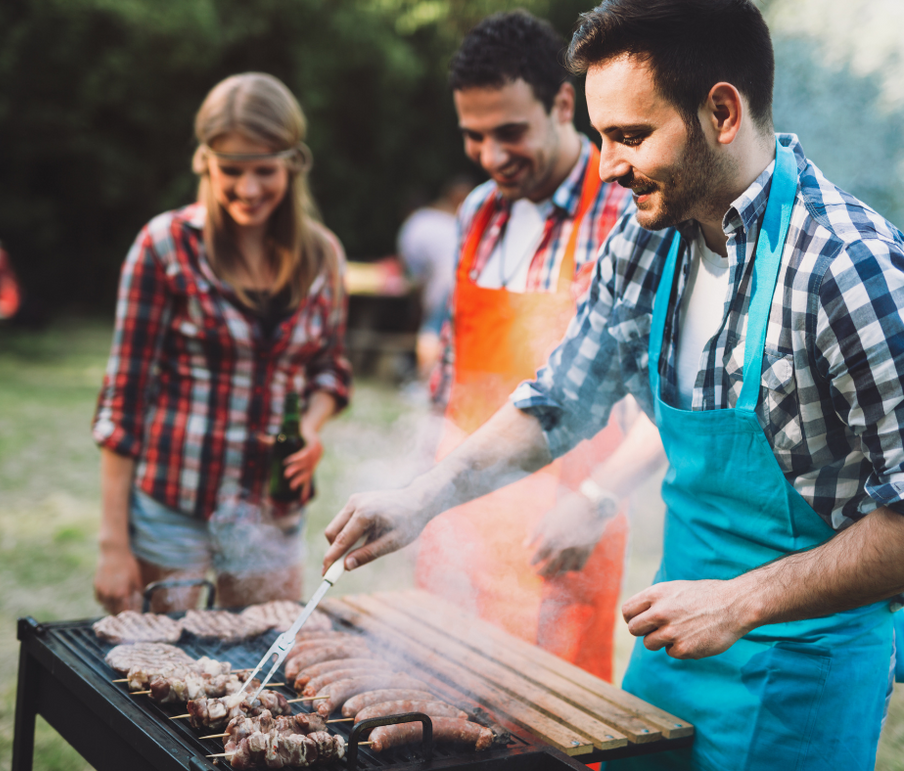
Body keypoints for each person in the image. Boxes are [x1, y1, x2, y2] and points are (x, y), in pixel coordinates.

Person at [323, 1, 904, 768]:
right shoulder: (647, 237)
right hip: (672, 638)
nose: (607, 165)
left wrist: (740, 600)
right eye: (601, 136)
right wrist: (422, 497)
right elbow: (561, 399)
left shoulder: (849, 270)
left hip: (803, 670)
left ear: (721, 112)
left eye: (630, 136)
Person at [413, 9, 665, 683]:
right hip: (457, 526)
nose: (492, 156)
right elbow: (451, 379)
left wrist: (596, 497)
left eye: (510, 132)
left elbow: (668, 404)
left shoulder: (625, 211)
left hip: (561, 529)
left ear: (561, 104)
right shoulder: (476, 213)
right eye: (474, 137)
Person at [93, 72, 351, 614]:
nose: (249, 188)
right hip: (171, 508)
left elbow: (331, 369)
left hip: (271, 515)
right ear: (204, 161)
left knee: (260, 669)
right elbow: (123, 400)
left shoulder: (323, 255)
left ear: (293, 163)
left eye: (265, 170)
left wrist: (309, 429)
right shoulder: (162, 247)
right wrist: (113, 545)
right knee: (160, 676)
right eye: (232, 170)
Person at [397, 176, 473, 380]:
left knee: (432, 328)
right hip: (466, 280)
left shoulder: (421, 221)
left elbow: (412, 264)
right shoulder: (456, 222)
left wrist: (418, 286)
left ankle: (425, 381)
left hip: (443, 282)